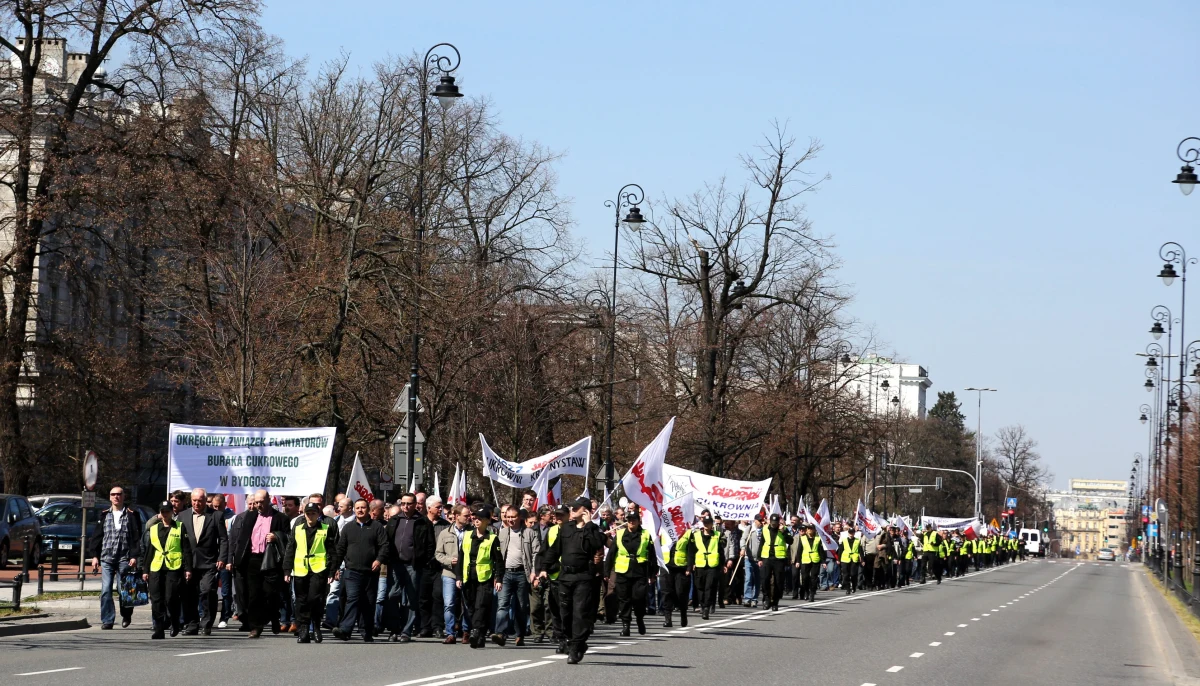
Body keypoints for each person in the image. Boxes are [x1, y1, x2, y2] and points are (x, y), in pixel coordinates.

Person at [539, 496, 605, 664]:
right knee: (565, 613)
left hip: (584, 577)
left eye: (576, 508)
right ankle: (574, 640)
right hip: (565, 576)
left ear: (585, 511)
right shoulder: (566, 528)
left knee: (580, 613)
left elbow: (597, 544)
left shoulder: (593, 529)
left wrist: (589, 525)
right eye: (572, 508)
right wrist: (544, 568)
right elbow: (554, 550)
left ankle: (576, 647)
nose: (572, 511)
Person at [227, 490, 290, 637]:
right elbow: (242, 539)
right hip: (252, 559)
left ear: (269, 500)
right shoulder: (250, 516)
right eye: (256, 502)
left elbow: (289, 538)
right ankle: (255, 627)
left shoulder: (280, 518)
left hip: (270, 561)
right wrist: (237, 559)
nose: (259, 505)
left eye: (261, 502)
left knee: (270, 593)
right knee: (253, 595)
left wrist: (277, 536)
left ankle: (274, 617)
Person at [87, 484, 144, 630]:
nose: (116, 497)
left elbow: (136, 537)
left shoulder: (132, 514)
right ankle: (107, 620)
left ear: (124, 496)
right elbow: (97, 537)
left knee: (123, 589)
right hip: (107, 557)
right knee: (106, 589)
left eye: (119, 494)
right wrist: (94, 556)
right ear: (110, 497)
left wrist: (134, 555)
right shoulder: (105, 514)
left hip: (124, 558)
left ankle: (126, 614)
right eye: (113, 494)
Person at [331, 499, 387, 642]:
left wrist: (379, 560)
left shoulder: (377, 527)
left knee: (368, 602)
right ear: (354, 509)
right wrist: (335, 568)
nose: (360, 510)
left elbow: (384, 546)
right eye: (357, 508)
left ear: (368, 509)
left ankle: (366, 631)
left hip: (370, 572)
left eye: (363, 507)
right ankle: (345, 629)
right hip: (352, 571)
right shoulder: (348, 528)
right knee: (352, 599)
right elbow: (340, 549)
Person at [384, 492, 435, 642]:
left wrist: (424, 562)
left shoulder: (423, 522)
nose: (406, 506)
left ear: (415, 505)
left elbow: (430, 545)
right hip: (395, 565)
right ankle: (394, 629)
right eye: (403, 504)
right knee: (392, 596)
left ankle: (406, 631)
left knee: (412, 599)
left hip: (413, 566)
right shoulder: (394, 520)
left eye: (409, 504)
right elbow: (386, 541)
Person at [284, 502, 338, 644]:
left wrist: (332, 571)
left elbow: (332, 551)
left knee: (314, 599)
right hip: (301, 569)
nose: (310, 516)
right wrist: (287, 570)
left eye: (313, 513)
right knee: (300, 601)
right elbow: (290, 549)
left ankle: (316, 626)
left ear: (318, 514)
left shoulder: (325, 529)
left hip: (318, 568)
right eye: (308, 513)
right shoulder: (298, 528)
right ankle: (303, 630)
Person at [140, 501, 193, 639]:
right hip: (156, 567)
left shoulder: (180, 527)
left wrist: (188, 568)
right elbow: (149, 551)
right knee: (156, 599)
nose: (165, 514)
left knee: (171, 598)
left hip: (173, 567)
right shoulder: (154, 529)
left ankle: (175, 622)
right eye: (163, 511)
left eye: (168, 511)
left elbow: (186, 549)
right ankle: (159, 628)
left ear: (172, 512)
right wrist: (145, 570)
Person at [180, 487, 227, 635]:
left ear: (205, 501)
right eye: (194, 500)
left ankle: (206, 623)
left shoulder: (216, 516)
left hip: (209, 561)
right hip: (189, 563)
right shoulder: (183, 516)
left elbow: (224, 539)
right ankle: (192, 623)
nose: (197, 503)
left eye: (200, 501)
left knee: (207, 591)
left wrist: (222, 557)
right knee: (189, 594)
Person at [455, 503, 503, 649]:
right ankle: (480, 635)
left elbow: (498, 561)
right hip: (468, 577)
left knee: (480, 606)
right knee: (470, 607)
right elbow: (461, 557)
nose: (477, 521)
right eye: (475, 518)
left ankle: (475, 632)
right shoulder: (468, 536)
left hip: (484, 578)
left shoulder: (492, 538)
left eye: (481, 519)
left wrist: (498, 578)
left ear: (487, 521)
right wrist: (458, 577)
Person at [493, 503, 541, 646]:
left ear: (519, 517)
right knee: (502, 605)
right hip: (506, 573)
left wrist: (534, 572)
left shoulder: (530, 533)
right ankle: (500, 633)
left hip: (522, 573)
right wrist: (497, 576)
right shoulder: (501, 533)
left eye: (513, 517)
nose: (510, 520)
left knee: (521, 606)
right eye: (507, 517)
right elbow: (497, 557)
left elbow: (536, 553)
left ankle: (520, 634)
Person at [606, 506, 655, 636]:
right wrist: (607, 572)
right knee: (624, 599)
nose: (631, 522)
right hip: (623, 572)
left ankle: (639, 618)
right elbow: (611, 553)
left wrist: (653, 573)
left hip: (640, 572)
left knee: (638, 598)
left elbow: (652, 555)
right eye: (629, 520)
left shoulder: (645, 534)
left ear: (639, 521)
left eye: (634, 520)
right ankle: (626, 625)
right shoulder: (620, 534)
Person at [435, 504, 470, 644]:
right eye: (466, 515)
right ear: (456, 516)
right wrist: (450, 561)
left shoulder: (471, 532)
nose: (469, 518)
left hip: (467, 574)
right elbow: (438, 554)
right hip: (449, 573)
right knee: (449, 603)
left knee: (467, 603)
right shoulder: (445, 533)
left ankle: (466, 631)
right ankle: (450, 633)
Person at [419, 495, 450, 638]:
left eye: (441, 506)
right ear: (429, 508)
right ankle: (425, 627)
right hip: (423, 566)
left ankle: (437, 626)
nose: (440, 509)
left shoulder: (445, 525)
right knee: (423, 597)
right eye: (438, 507)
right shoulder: (420, 523)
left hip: (439, 567)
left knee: (438, 596)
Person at [207, 493, 236, 628]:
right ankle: (207, 615)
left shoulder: (232, 518)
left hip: (225, 558)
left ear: (225, 505)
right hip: (212, 558)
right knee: (209, 589)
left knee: (225, 590)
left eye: (219, 506)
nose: (216, 508)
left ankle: (224, 616)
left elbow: (231, 541)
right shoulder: (210, 516)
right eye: (214, 506)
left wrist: (228, 559)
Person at [693, 512, 729, 619]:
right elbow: (692, 551)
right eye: (705, 523)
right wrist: (692, 563)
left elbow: (721, 550)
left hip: (713, 566)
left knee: (709, 587)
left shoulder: (718, 535)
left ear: (711, 524)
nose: (706, 525)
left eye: (708, 523)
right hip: (700, 565)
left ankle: (706, 608)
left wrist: (723, 564)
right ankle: (703, 604)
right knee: (700, 587)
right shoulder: (696, 535)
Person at [661, 522, 694, 627]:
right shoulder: (663, 530)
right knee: (667, 593)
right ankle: (668, 619)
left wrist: (689, 567)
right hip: (666, 566)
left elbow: (691, 551)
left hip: (681, 568)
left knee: (681, 593)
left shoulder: (687, 532)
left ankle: (683, 615)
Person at [757, 513, 791, 611]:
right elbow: (762, 543)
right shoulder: (765, 529)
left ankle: (775, 602)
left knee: (778, 581)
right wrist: (759, 558)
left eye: (775, 523)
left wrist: (784, 532)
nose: (773, 524)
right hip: (766, 557)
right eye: (772, 522)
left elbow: (790, 541)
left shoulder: (784, 529)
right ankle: (766, 598)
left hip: (779, 558)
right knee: (765, 579)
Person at [792, 523, 822, 602]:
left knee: (813, 578)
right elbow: (799, 551)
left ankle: (812, 594)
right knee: (805, 578)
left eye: (811, 529)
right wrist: (798, 561)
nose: (809, 530)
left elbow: (821, 551)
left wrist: (823, 561)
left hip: (815, 560)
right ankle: (806, 591)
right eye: (808, 529)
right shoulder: (803, 538)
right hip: (805, 560)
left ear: (814, 530)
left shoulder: (818, 539)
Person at [740, 516, 762, 607]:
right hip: (748, 558)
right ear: (755, 521)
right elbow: (743, 539)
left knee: (757, 579)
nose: (761, 522)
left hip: (759, 559)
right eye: (759, 521)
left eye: (762, 520)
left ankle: (755, 598)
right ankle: (747, 598)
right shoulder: (749, 529)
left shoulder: (764, 530)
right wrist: (743, 548)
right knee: (748, 578)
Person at [839, 526, 862, 594]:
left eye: (852, 533)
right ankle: (848, 588)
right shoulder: (844, 540)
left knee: (853, 574)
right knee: (846, 575)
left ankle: (854, 586)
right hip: (845, 559)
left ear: (854, 533)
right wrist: (838, 559)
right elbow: (840, 550)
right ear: (848, 533)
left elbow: (861, 551)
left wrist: (862, 559)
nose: (851, 534)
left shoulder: (857, 541)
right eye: (850, 533)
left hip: (854, 559)